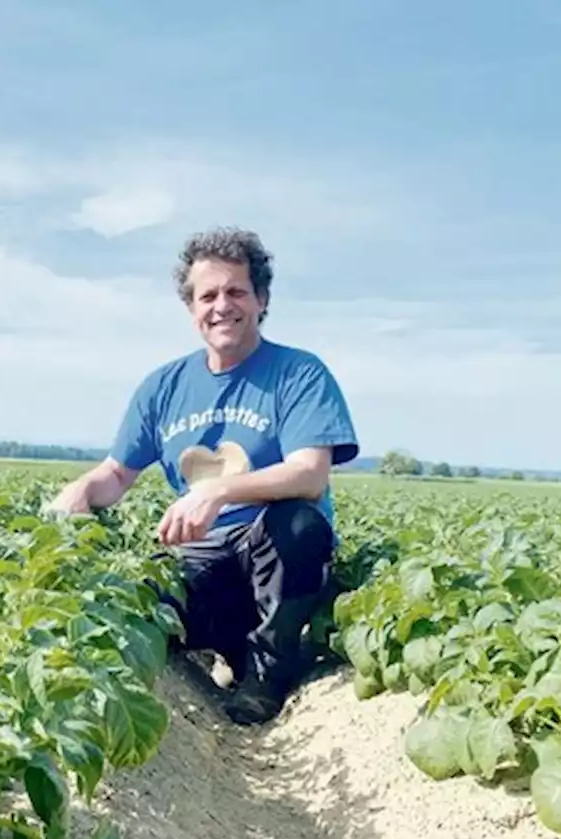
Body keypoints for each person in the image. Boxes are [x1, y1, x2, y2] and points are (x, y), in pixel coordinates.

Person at [46, 226, 359, 724]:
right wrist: (81, 489)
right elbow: (116, 474)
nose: (221, 306)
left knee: (300, 528)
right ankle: (229, 649)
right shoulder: (163, 387)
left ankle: (268, 674)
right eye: (207, 295)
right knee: (139, 593)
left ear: (261, 299)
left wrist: (219, 489)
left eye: (236, 291)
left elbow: (309, 474)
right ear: (191, 308)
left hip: (271, 553)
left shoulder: (299, 374)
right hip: (204, 557)